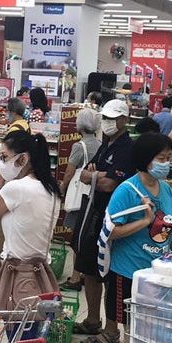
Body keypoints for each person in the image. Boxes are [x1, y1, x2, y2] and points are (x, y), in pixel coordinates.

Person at [91, 133, 172, 343]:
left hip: (156, 273)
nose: (166, 163)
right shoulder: (127, 190)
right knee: (137, 337)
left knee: (143, 334)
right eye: (161, 158)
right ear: (145, 160)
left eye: (168, 158)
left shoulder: (166, 189)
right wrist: (144, 221)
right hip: (128, 274)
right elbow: (110, 232)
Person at [0, 130, 61, 343]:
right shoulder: (51, 190)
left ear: (23, 159)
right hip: (40, 275)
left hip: (19, 278)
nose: (1, 163)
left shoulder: (17, 188)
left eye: (4, 157)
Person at [74, 99, 135, 343]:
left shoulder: (126, 149)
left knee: (108, 273)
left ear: (124, 120)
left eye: (113, 118)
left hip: (114, 217)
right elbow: (91, 173)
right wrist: (94, 175)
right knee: (89, 268)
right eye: (105, 118)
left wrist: (93, 175)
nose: (108, 122)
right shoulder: (107, 144)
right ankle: (92, 319)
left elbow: (109, 184)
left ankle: (111, 330)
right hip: (95, 212)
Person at [59, 108, 102, 291]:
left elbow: (69, 172)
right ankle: (83, 273)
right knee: (86, 238)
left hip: (78, 198)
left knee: (77, 239)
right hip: (93, 194)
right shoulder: (100, 144)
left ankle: (75, 277)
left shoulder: (79, 146)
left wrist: (62, 187)